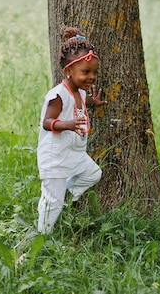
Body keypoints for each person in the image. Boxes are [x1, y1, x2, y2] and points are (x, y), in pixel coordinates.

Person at [37, 27, 107, 234]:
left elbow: (78, 107)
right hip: (56, 157)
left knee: (94, 173)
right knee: (52, 203)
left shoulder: (79, 92)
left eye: (94, 72)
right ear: (68, 71)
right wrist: (66, 125)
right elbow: (47, 122)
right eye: (86, 72)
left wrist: (92, 102)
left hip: (74, 155)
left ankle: (65, 193)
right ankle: (42, 236)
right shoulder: (58, 95)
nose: (92, 77)